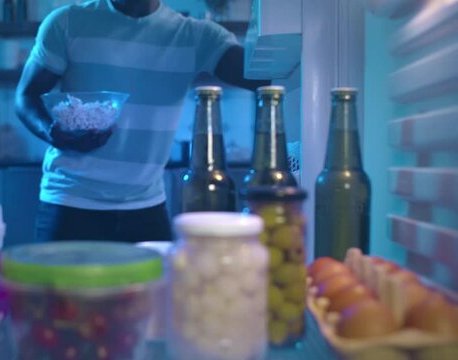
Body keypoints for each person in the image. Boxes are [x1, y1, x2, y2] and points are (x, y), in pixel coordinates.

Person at [15, 0, 269, 243]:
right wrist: (54, 133)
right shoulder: (67, 23)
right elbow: (26, 98)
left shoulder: (195, 37)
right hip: (69, 203)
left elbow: (266, 79)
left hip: (146, 209)